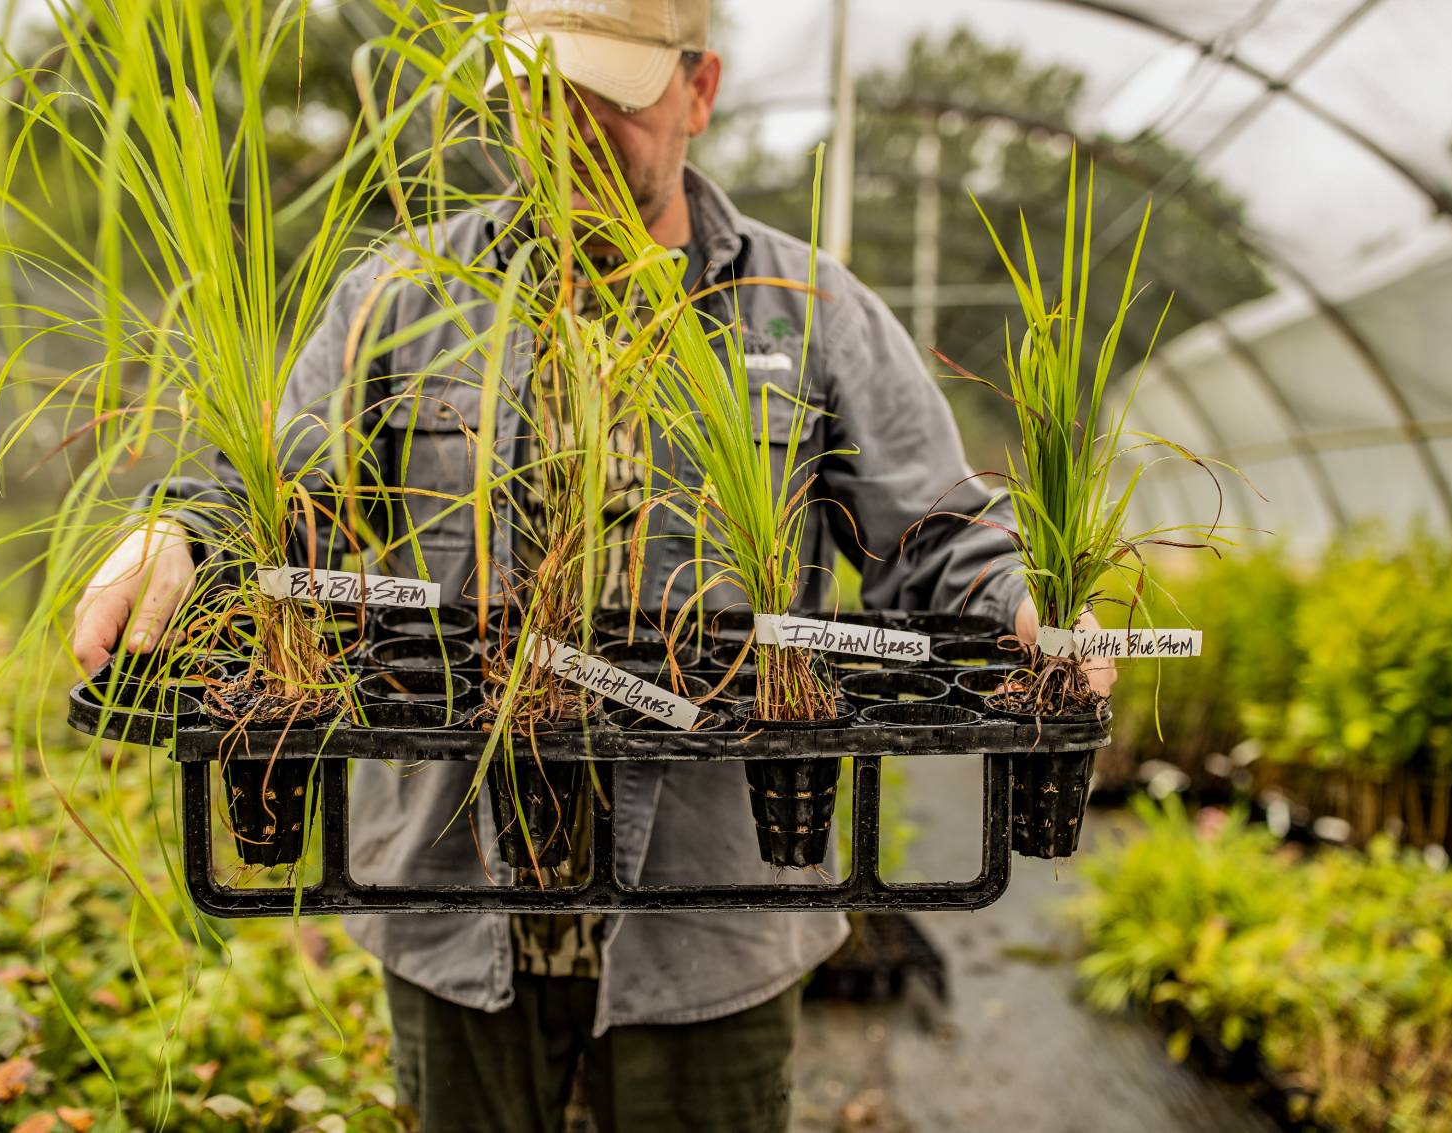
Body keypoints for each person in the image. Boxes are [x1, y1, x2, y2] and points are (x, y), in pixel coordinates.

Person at [72, 1, 1116, 1128]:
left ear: (696, 90)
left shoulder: (806, 310)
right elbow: (291, 503)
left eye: (608, 95)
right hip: (450, 897)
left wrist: (1022, 606)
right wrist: (182, 532)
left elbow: (933, 539)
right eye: (536, 91)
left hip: (711, 911)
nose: (564, 126)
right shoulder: (407, 293)